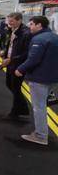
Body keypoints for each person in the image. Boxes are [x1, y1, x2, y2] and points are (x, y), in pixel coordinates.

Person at [14, 16, 58, 145]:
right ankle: (41, 132)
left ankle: (40, 135)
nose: (30, 26)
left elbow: (33, 59)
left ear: (39, 25)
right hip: (52, 78)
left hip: (40, 77)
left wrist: (20, 69)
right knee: (42, 106)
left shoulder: (39, 39)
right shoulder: (54, 37)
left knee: (39, 107)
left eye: (32, 24)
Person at [0, 12, 31, 120]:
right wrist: (5, 52)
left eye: (12, 21)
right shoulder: (13, 30)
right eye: (9, 21)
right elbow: (12, 45)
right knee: (10, 85)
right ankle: (23, 108)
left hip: (18, 64)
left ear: (19, 20)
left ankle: (15, 112)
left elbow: (26, 52)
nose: (9, 23)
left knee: (15, 87)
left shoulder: (25, 33)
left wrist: (11, 59)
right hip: (11, 63)